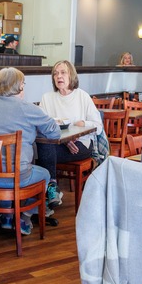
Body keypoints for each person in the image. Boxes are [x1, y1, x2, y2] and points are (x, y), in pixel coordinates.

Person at [0, 67, 61, 235]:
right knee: (46, 174)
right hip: (19, 177)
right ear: (19, 86)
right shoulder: (27, 107)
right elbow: (55, 132)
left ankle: (6, 217)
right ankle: (24, 214)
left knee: (6, 172)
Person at [37, 60, 103, 207]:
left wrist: (83, 124)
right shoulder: (47, 98)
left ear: (71, 75)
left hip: (82, 144)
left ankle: (46, 194)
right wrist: (65, 140)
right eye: (55, 73)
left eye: (63, 72)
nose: (58, 76)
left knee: (43, 153)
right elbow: (41, 126)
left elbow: (98, 126)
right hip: (56, 144)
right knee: (41, 146)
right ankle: (51, 189)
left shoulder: (82, 96)